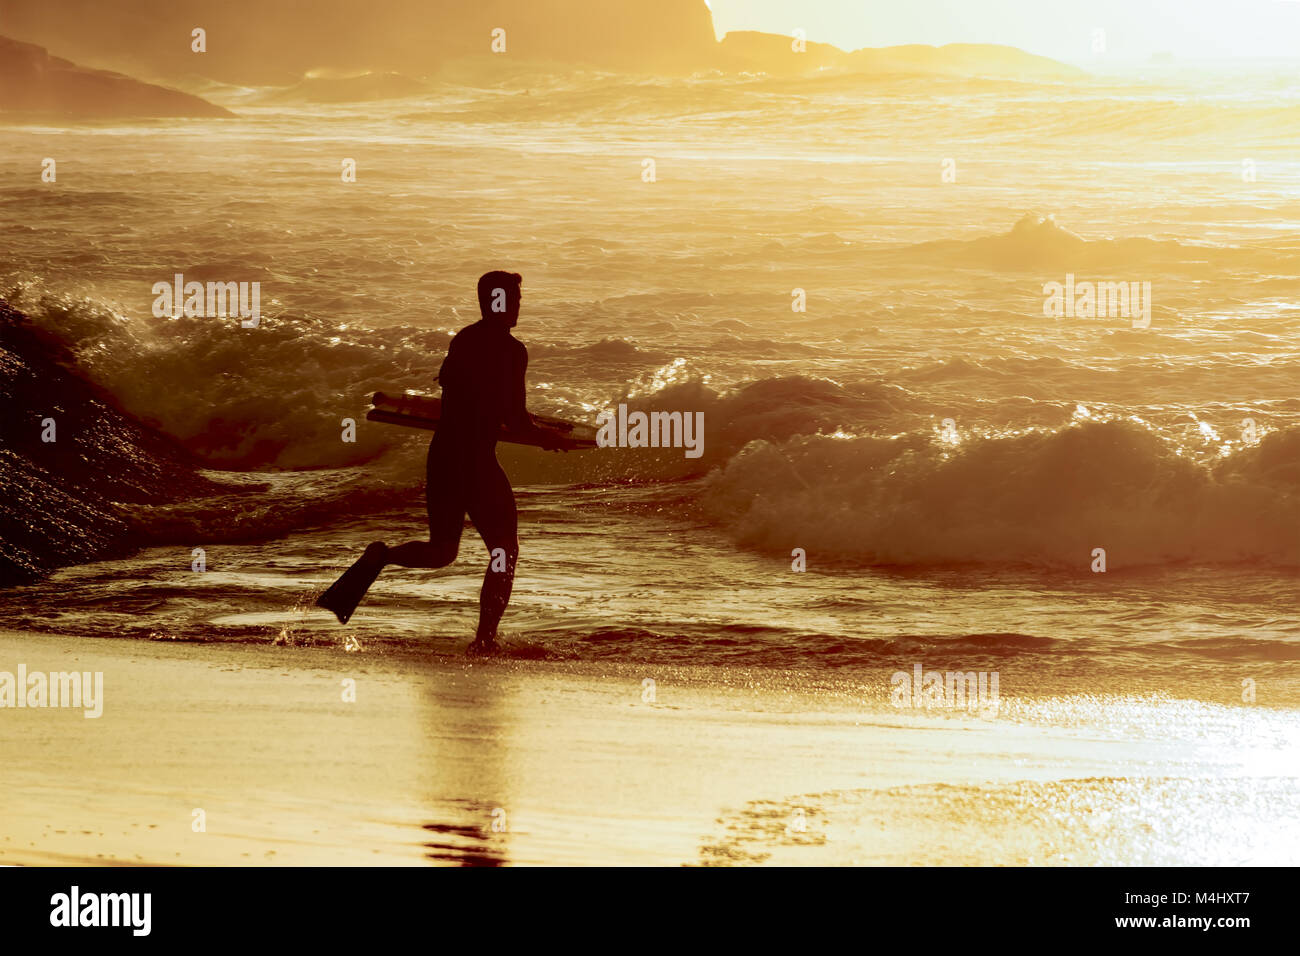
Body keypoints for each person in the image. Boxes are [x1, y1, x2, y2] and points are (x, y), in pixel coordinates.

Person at [316, 271, 566, 652]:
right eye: (513, 299)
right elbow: (515, 418)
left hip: (444, 455)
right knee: (504, 549)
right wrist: (549, 439)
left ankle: (380, 558)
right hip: (475, 462)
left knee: (442, 550)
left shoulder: (463, 339)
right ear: (494, 302)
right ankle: (485, 640)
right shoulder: (511, 351)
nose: (518, 306)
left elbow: (462, 398)